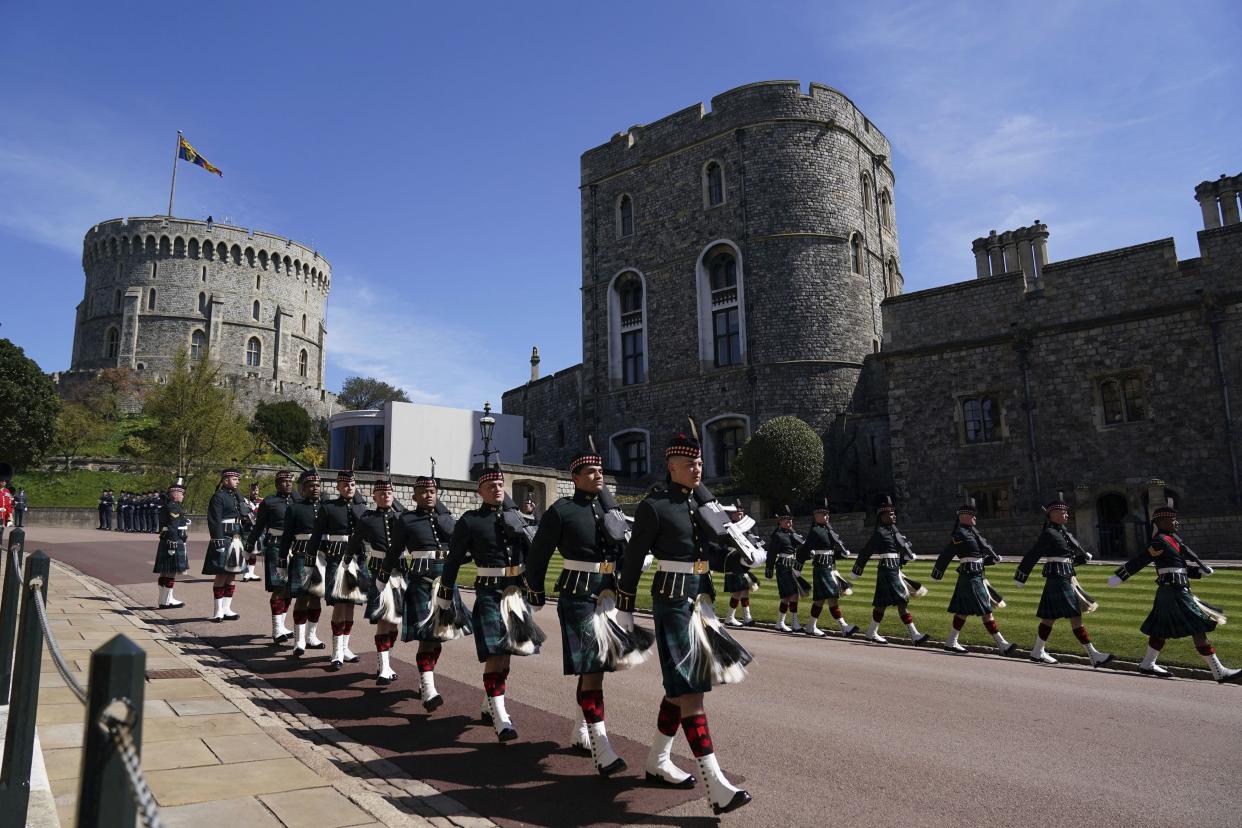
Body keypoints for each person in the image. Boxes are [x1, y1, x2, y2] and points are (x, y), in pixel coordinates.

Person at [615, 432, 752, 816]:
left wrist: (742, 557)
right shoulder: (654, 506)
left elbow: (712, 554)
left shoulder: (702, 505)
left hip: (700, 601)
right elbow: (633, 558)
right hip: (672, 602)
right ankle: (715, 785)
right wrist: (624, 608)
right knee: (691, 689)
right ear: (671, 466)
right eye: (689, 464)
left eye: (700, 463)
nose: (697, 468)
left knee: (682, 689)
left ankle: (657, 759)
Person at [527, 448, 648, 776]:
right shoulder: (561, 510)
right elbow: (538, 554)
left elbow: (620, 549)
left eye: (600, 471)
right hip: (578, 593)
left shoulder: (611, 511)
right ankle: (601, 747)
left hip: (607, 592)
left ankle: (581, 731)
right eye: (590, 471)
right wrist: (534, 590)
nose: (598, 475)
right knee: (593, 668)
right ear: (575, 477)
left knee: (596, 669)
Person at [440, 464, 543, 742]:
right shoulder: (470, 521)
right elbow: (453, 559)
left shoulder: (518, 518)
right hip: (489, 592)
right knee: (496, 653)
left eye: (500, 485)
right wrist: (445, 592)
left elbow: (535, 557)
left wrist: (525, 532)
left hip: (515, 593)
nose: (498, 489)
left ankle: (490, 703)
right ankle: (501, 717)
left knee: (508, 652)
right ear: (480, 491)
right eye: (491, 486)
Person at [1108, 499, 1240, 682]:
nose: (1176, 523)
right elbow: (1143, 559)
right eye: (1172, 519)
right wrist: (1121, 575)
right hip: (1174, 591)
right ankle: (1219, 672)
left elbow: (1179, 566)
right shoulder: (1160, 541)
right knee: (1198, 626)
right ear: (1161, 522)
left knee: (1160, 630)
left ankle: (1147, 664)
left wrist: (1198, 571)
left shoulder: (1173, 540)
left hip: (1175, 590)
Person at [388, 472, 471, 711]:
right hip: (421, 582)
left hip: (445, 582)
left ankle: (426, 678)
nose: (429, 495)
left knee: (438, 637)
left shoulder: (447, 520)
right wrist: (384, 576)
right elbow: (395, 550)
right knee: (426, 638)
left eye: (432, 491)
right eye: (424, 492)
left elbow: (461, 548)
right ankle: (428, 689)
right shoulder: (406, 519)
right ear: (415, 496)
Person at [1013, 493, 1112, 668]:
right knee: (1074, 615)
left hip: (1066, 576)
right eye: (1064, 512)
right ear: (1054, 514)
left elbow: (1066, 558)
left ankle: (1038, 651)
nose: (1067, 515)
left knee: (1049, 618)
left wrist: (1081, 558)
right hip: (1058, 578)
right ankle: (1093, 655)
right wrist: (1022, 575)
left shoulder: (1061, 532)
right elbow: (1033, 554)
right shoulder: (1049, 533)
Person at [930, 499, 1015, 655]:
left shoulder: (973, 533)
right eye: (973, 516)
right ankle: (1002, 644)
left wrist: (992, 560)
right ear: (964, 516)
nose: (975, 518)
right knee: (983, 611)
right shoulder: (960, 534)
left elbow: (979, 558)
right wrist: (938, 572)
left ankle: (952, 641)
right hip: (970, 577)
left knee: (968, 611)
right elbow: (947, 554)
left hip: (977, 576)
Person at [850, 497, 930, 645]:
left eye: (894, 513)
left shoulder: (894, 532)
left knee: (883, 604)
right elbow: (866, 551)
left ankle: (871, 633)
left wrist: (906, 556)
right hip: (887, 571)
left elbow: (897, 553)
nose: (894, 516)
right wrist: (857, 569)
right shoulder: (880, 533)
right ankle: (914, 635)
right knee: (901, 601)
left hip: (895, 570)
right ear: (882, 516)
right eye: (890, 514)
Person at [307, 470, 363, 665]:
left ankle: (345, 646)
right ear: (338, 487)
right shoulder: (328, 507)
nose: (349, 488)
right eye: (345, 485)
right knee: (339, 603)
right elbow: (316, 535)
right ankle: (336, 651)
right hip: (336, 559)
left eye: (352, 485)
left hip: (356, 559)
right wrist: (310, 560)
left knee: (351, 604)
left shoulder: (360, 508)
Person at [352, 479, 406, 680]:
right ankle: (383, 667)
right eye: (382, 494)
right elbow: (356, 541)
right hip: (378, 573)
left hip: (400, 573)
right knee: (384, 619)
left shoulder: (402, 517)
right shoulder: (368, 518)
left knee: (394, 622)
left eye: (389, 493)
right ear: (374, 497)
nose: (386, 496)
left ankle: (387, 663)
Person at [280, 469, 328, 656]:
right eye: (310, 486)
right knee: (301, 597)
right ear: (302, 488)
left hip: (321, 556)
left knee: (316, 597)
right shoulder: (294, 508)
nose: (315, 488)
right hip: (301, 554)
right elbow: (286, 536)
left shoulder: (326, 506)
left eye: (317, 485)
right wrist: (282, 560)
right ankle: (299, 640)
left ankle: (311, 636)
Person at [247, 471, 296, 644]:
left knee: (290, 588)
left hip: (295, 547)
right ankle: (276, 629)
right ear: (277, 484)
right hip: (276, 546)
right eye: (284, 482)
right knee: (279, 587)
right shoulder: (269, 502)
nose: (288, 484)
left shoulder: (297, 499)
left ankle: (282, 625)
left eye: (290, 481)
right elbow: (259, 525)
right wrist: (250, 544)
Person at [797, 502, 859, 638]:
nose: (826, 516)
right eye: (823, 514)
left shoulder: (828, 530)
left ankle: (812, 626)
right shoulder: (815, 531)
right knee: (827, 597)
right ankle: (842, 627)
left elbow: (830, 551)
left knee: (826, 598)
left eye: (827, 514)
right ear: (816, 515)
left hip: (830, 568)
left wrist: (840, 554)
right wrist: (798, 566)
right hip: (821, 568)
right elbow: (805, 550)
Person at [202, 467, 248, 622]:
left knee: (232, 574)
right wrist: (218, 540)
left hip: (236, 537)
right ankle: (218, 611)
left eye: (237, 479)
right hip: (224, 538)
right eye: (235, 479)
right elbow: (214, 520)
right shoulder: (219, 496)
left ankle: (227, 609)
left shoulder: (236, 496)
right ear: (226, 480)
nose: (238, 481)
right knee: (221, 574)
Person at [766, 505, 808, 633]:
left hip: (792, 566)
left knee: (787, 596)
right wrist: (769, 570)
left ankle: (780, 623)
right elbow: (771, 554)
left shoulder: (792, 534)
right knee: (792, 595)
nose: (789, 523)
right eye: (787, 521)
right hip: (783, 566)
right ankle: (794, 623)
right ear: (780, 522)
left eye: (790, 521)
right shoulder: (778, 536)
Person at [154, 479, 190, 609]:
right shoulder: (173, 507)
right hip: (173, 540)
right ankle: (166, 601)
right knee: (170, 572)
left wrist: (184, 520)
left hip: (167, 540)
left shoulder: (169, 506)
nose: (183, 496)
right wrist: (173, 543)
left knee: (165, 572)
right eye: (181, 493)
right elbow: (173, 526)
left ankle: (164, 599)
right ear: (175, 493)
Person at [723, 505, 760, 628]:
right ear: (732, 515)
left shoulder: (746, 526)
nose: (741, 515)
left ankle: (747, 617)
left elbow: (752, 539)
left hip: (743, 560)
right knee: (738, 591)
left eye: (742, 513)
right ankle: (729, 618)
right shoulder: (727, 527)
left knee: (744, 590)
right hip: (733, 560)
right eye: (738, 514)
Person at [241, 482, 263, 581]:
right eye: (253, 490)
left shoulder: (262, 501)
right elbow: (243, 514)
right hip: (247, 529)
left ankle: (251, 573)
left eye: (256, 490)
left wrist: (253, 508)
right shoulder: (244, 501)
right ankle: (245, 573)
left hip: (257, 529)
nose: (255, 492)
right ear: (249, 490)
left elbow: (262, 514)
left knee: (254, 552)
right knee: (247, 551)